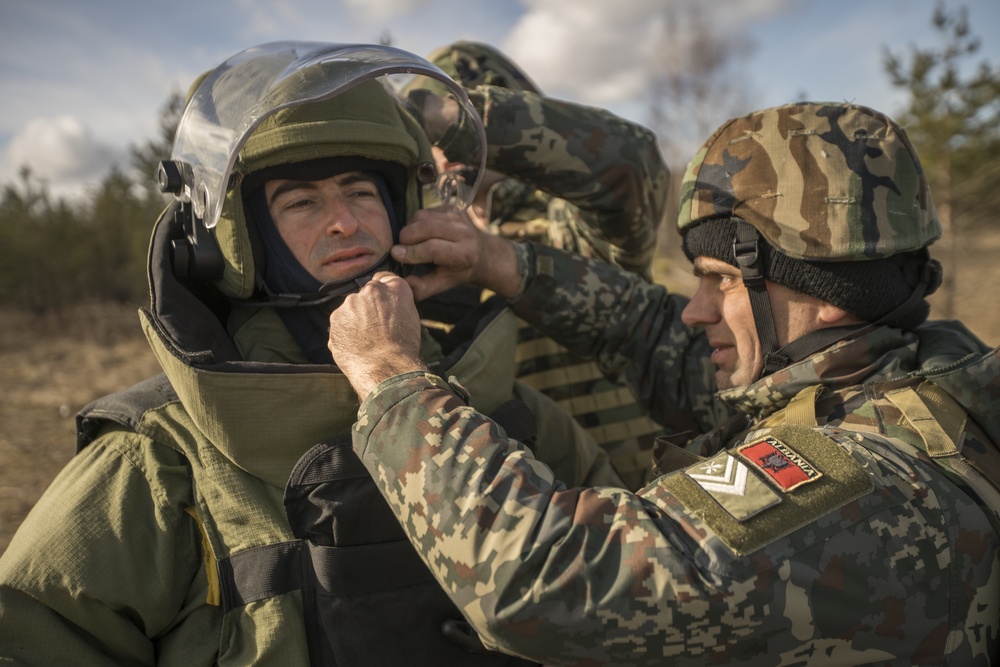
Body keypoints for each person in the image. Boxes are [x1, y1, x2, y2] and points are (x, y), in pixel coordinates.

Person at [0, 41, 624, 666]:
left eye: (360, 191)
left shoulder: (505, 408)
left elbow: (625, 600)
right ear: (234, 242)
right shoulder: (163, 459)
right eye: (301, 201)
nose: (345, 222)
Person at [328, 101, 1000, 665]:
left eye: (722, 279)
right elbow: (652, 336)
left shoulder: (870, 481)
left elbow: (550, 575)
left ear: (828, 292)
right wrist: (498, 260)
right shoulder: (883, 376)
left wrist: (391, 376)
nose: (694, 308)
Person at [405, 40, 725, 490]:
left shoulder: (567, 223)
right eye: (432, 133)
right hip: (510, 516)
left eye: (470, 116)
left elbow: (630, 168)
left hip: (634, 497)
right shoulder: (414, 238)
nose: (447, 144)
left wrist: (450, 118)